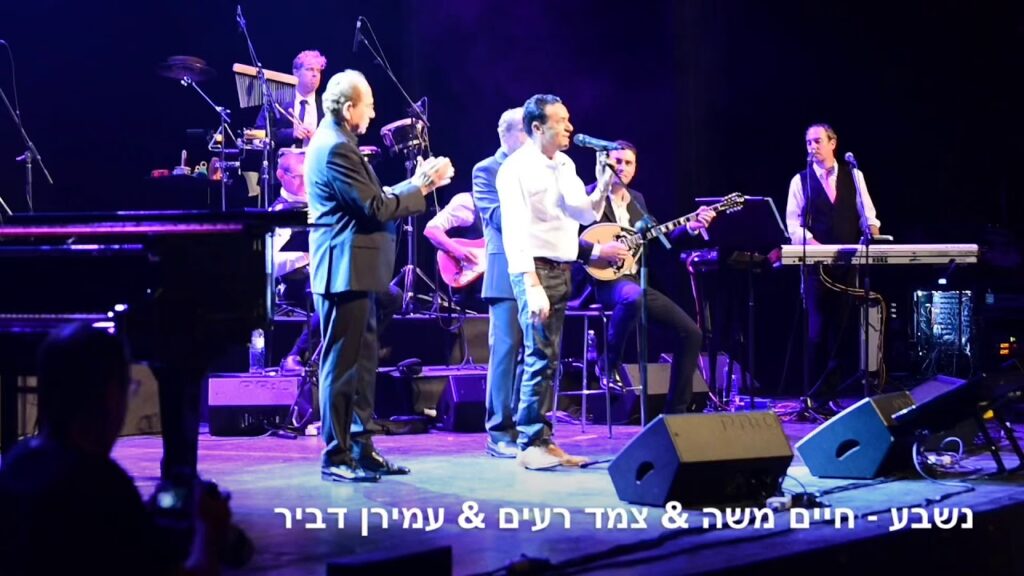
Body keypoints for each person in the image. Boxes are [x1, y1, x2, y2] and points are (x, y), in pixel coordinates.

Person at [306, 70, 453, 483]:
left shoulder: (340, 142)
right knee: (342, 368)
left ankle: (361, 447)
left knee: (362, 365)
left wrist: (415, 185)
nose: (372, 114)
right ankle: (336, 456)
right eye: (368, 106)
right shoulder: (336, 148)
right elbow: (374, 208)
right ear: (349, 107)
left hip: (358, 272)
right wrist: (421, 186)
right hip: (343, 271)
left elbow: (374, 199)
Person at [0, 323, 232, 576]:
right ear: (111, 395)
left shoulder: (15, 464)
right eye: (128, 388)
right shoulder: (101, 484)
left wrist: (142, 522)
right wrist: (209, 531)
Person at [496, 94, 610, 470]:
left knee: (550, 358)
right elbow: (514, 231)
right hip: (535, 270)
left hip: (562, 269)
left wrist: (603, 184)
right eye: (560, 121)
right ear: (537, 127)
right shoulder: (515, 169)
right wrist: (531, 285)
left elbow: (584, 212)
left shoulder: (564, 163)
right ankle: (530, 442)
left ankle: (544, 440)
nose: (569, 127)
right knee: (538, 355)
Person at [579, 141, 715, 415]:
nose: (622, 167)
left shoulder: (637, 200)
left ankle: (675, 413)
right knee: (633, 296)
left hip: (633, 282)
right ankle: (608, 363)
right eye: (617, 161)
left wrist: (689, 227)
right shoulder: (586, 196)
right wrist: (602, 250)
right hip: (599, 281)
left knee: (691, 333)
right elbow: (569, 240)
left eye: (628, 163)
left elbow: (658, 239)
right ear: (604, 164)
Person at [785, 123, 881, 408]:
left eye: (817, 141)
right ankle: (814, 397)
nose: (812, 147)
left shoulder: (854, 175)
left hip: (847, 266)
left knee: (841, 331)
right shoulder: (800, 180)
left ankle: (831, 395)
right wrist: (818, 249)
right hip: (816, 269)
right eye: (808, 142)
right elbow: (794, 225)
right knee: (817, 331)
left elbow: (868, 215)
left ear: (833, 143)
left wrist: (874, 238)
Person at [469, 107, 529, 458]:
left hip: (536, 269)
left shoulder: (536, 169)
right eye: (525, 130)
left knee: (529, 353)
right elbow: (496, 216)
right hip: (504, 270)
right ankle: (498, 431)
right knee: (505, 352)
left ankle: (524, 425)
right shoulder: (486, 169)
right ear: (507, 133)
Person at [256, 50, 327, 149]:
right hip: (283, 158)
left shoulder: (326, 105)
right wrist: (290, 133)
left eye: (318, 71)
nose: (315, 74)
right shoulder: (276, 100)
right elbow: (260, 132)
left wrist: (319, 138)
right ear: (296, 72)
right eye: (310, 69)